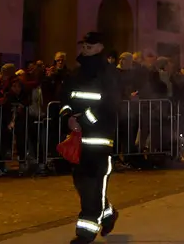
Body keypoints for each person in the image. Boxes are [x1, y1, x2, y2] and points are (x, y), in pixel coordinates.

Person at [60, 32, 122, 243]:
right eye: (84, 44)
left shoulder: (109, 74)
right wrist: (67, 116)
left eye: (90, 44)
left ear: (100, 47)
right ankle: (109, 214)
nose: (85, 47)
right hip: (77, 141)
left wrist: (83, 121)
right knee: (83, 186)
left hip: (100, 140)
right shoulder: (76, 73)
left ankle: (85, 233)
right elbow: (65, 98)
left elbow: (109, 105)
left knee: (93, 187)